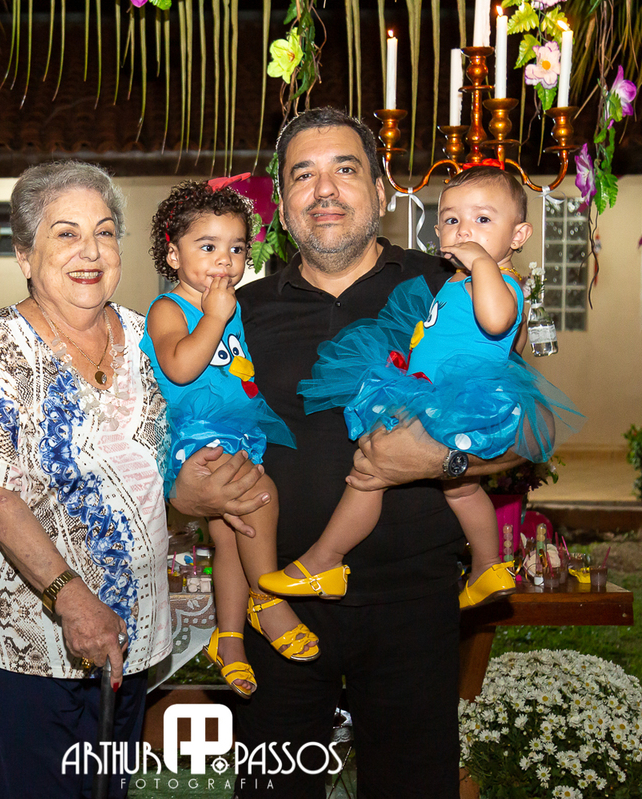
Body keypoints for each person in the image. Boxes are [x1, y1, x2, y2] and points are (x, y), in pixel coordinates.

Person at [169, 107, 528, 799]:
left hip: (414, 605)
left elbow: (524, 434)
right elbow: (182, 425)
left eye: (345, 168)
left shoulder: (453, 288)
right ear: (282, 206)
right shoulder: (235, 309)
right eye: (302, 175)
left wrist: (443, 462)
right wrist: (183, 492)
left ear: (382, 190)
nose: (324, 189)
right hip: (279, 604)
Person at [0, 160, 172, 799]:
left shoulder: (147, 337)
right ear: (24, 255)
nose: (90, 252)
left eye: (104, 233)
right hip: (28, 642)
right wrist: (72, 599)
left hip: (131, 634)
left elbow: (171, 467)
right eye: (66, 234)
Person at [261, 165, 582, 610]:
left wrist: (483, 264)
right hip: (431, 388)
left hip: (456, 397)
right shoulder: (455, 281)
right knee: (460, 489)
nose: (464, 230)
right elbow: (492, 339)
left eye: (482, 219)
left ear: (518, 235)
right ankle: (488, 566)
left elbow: (497, 321)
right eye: (451, 219)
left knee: (367, 475)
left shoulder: (498, 280)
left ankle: (325, 562)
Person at [140, 178, 318, 701]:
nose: (225, 260)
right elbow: (179, 368)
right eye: (208, 246)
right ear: (173, 256)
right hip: (197, 434)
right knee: (260, 496)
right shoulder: (169, 308)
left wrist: (224, 314)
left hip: (238, 429)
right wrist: (215, 316)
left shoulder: (230, 306)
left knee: (229, 538)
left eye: (237, 248)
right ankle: (268, 598)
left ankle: (230, 638)